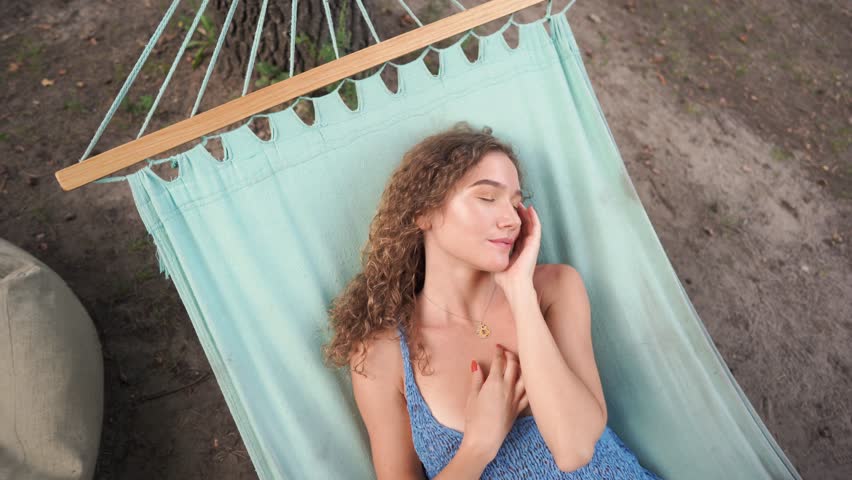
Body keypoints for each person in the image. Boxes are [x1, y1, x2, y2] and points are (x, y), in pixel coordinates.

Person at [323, 122, 661, 479]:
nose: (511, 219)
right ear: (423, 213)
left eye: (517, 203)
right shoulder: (382, 352)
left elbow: (574, 449)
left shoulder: (554, 290)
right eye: (487, 198)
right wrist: (479, 446)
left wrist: (519, 294)